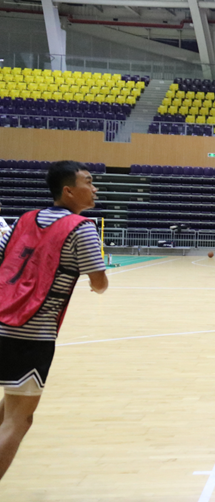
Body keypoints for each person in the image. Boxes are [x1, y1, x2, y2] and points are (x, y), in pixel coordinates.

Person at [0, 161, 108, 481]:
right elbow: (99, 281)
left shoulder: (24, 219)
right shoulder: (81, 227)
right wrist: (97, 285)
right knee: (19, 420)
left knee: (8, 409)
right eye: (88, 182)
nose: (95, 188)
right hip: (30, 333)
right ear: (69, 191)